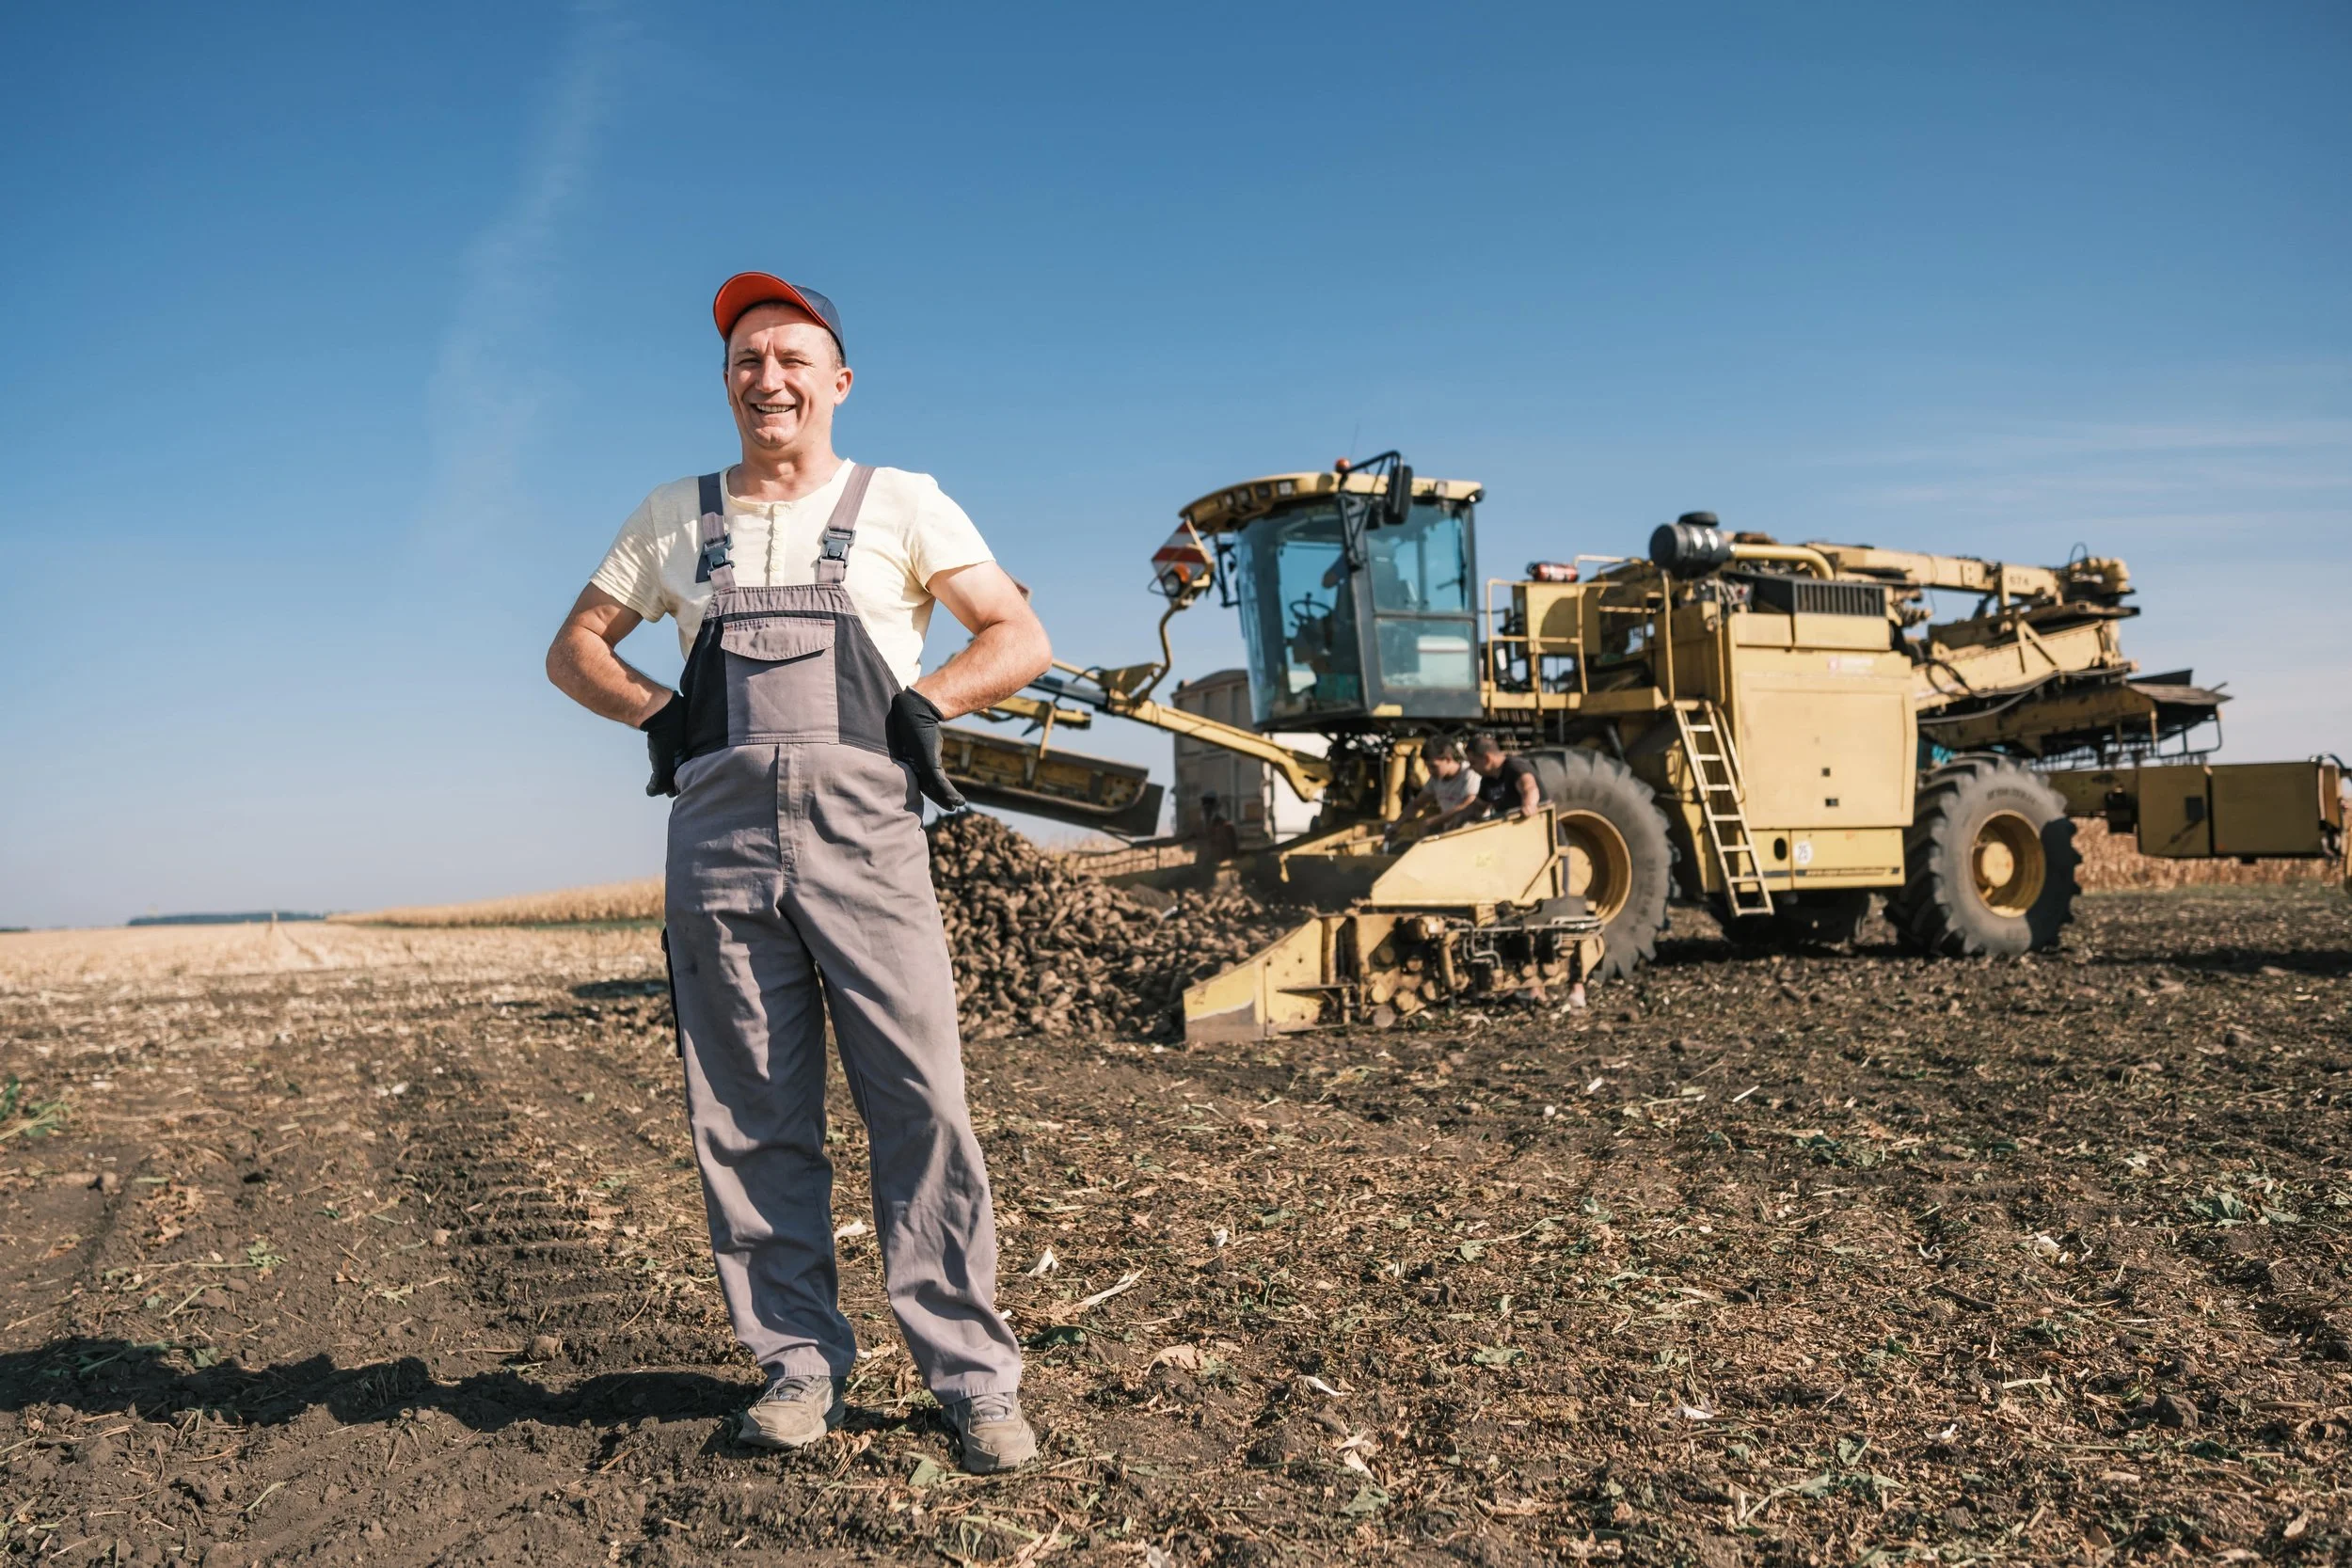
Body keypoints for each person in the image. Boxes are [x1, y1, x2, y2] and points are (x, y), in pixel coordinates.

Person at [545, 272, 1051, 1473]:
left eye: (789, 358)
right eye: (744, 361)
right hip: (718, 840)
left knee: (919, 1100)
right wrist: (657, 714)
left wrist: (930, 699)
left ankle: (972, 1377)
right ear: (727, 384)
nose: (766, 377)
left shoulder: (904, 502)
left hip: (867, 836)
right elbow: (572, 647)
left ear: (837, 381)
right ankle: (797, 1364)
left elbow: (1018, 634)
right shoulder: (676, 514)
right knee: (751, 1111)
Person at [1391, 736, 1480, 843]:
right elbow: (1417, 804)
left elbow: (1469, 804)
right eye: (1427, 767)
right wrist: (1397, 825)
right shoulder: (1436, 779)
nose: (1430, 771)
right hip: (1450, 834)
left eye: (1433, 766)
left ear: (1448, 759)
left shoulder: (1469, 773)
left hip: (1472, 834)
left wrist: (1431, 822)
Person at [1466, 733, 1543, 819]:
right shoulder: (1488, 779)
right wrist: (1459, 818)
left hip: (1538, 827)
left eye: (1473, 762)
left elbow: (1529, 788)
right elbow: (1479, 806)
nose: (1471, 767)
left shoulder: (1515, 767)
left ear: (1487, 759)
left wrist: (1529, 805)